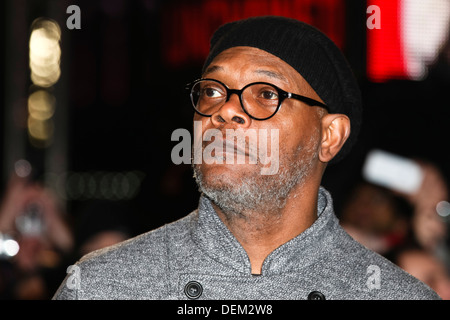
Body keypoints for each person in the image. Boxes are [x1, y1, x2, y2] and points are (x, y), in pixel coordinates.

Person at [53, 16, 440, 299]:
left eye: (267, 94)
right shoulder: (101, 286)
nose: (224, 110)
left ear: (329, 135)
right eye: (212, 91)